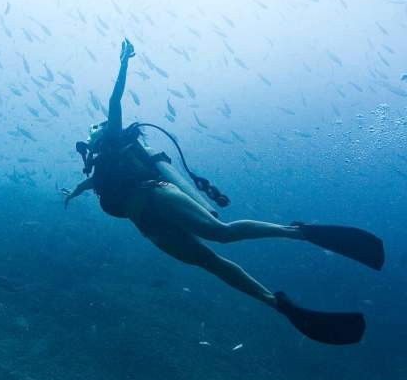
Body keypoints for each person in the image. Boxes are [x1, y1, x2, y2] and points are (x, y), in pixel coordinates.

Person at [64, 39, 385, 345]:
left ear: (106, 131)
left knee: (222, 233)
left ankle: (298, 231)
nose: (92, 135)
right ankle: (279, 304)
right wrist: (74, 191)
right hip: (149, 227)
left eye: (96, 130)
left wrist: (123, 64)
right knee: (211, 263)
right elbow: (95, 183)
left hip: (155, 195)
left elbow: (114, 101)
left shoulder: (117, 141)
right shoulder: (101, 170)